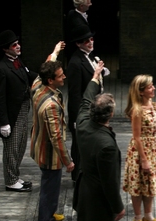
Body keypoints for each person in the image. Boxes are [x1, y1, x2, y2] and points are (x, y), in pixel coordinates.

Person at [73, 61, 125, 221]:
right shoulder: (106, 146)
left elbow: (85, 99)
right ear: (110, 114)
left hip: (85, 190)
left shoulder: (83, 124)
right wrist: (118, 207)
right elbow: (110, 182)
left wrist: (95, 78)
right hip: (98, 198)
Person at [30, 41, 73, 221]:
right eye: (60, 75)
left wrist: (55, 52)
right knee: (50, 185)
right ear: (50, 81)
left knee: (50, 184)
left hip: (40, 145)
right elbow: (56, 137)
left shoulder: (38, 85)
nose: (63, 76)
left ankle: (47, 213)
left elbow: (48, 62)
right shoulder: (51, 105)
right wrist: (68, 162)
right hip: (49, 152)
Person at [0, 30, 37, 192]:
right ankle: (10, 180)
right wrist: (4, 122)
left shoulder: (18, 61)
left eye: (18, 43)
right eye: (14, 45)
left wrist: (44, 77)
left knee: (20, 145)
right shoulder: (1, 69)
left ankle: (15, 176)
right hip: (12, 114)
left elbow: (28, 75)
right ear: (5, 49)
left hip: (23, 109)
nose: (18, 46)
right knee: (12, 147)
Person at [123, 74, 156, 221]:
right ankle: (137, 217)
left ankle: (148, 216)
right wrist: (144, 159)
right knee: (138, 185)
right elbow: (136, 137)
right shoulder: (137, 110)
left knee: (150, 183)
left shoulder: (151, 103)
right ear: (141, 92)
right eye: (150, 87)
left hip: (154, 147)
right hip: (141, 150)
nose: (153, 88)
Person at [67, 24, 109, 182]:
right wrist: (76, 118)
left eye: (91, 39)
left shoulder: (91, 56)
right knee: (79, 144)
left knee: (91, 141)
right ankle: (77, 176)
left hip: (94, 107)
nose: (90, 43)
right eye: (86, 41)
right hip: (83, 108)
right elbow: (74, 94)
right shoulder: (75, 63)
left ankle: (88, 171)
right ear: (78, 44)